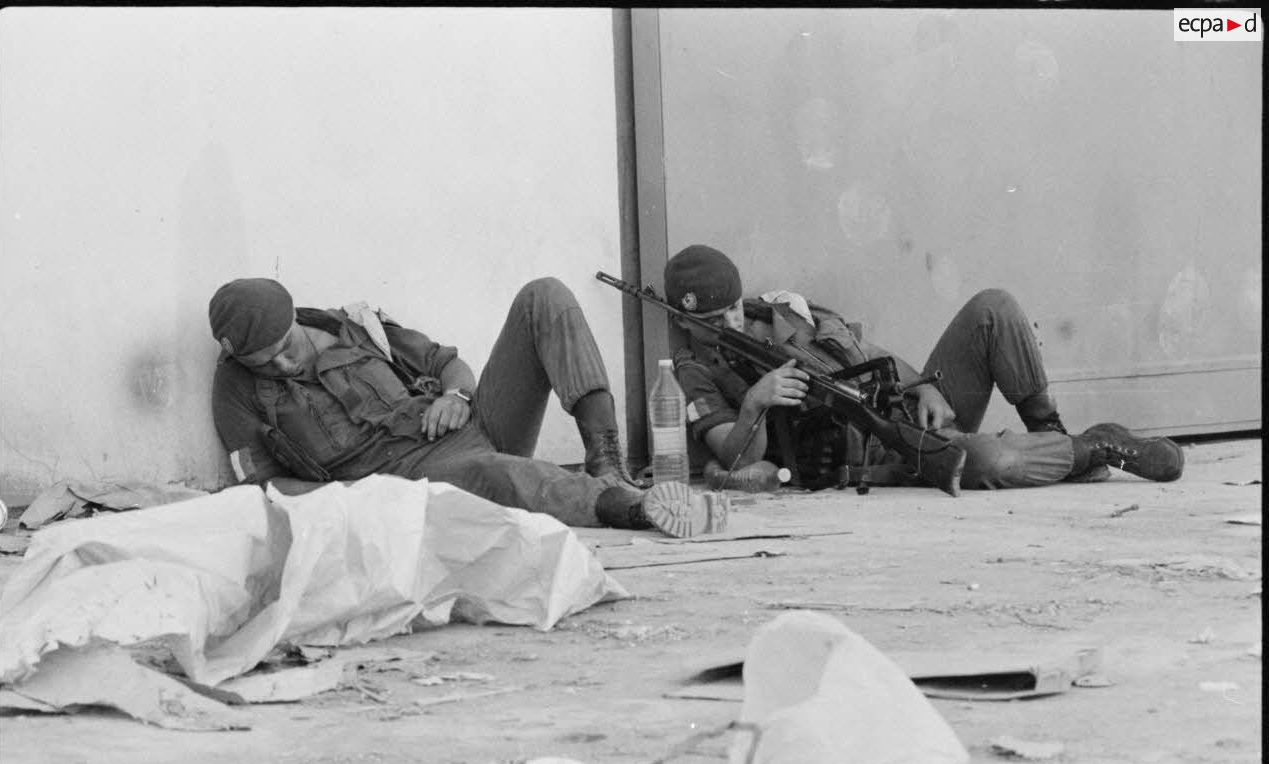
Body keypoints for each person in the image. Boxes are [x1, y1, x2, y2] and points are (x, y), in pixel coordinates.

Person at [208, 275, 724, 537]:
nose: (279, 364)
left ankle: (607, 462)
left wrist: (456, 395)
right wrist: (347, 497)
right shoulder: (236, 389)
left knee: (543, 296)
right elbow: (261, 484)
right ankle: (634, 510)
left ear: (293, 319)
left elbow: (446, 362)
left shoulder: (354, 325)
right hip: (405, 477)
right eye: (263, 362)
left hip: (475, 422)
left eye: (284, 347)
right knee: (501, 473)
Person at [662, 244, 1185, 491]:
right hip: (885, 451)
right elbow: (731, 458)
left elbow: (866, 355)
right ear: (685, 324)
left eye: (729, 308)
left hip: (911, 409)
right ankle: (1096, 447)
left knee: (992, 307)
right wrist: (757, 398)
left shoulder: (779, 312)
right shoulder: (693, 372)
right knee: (984, 463)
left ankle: (1048, 433)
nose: (725, 322)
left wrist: (923, 387)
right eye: (709, 320)